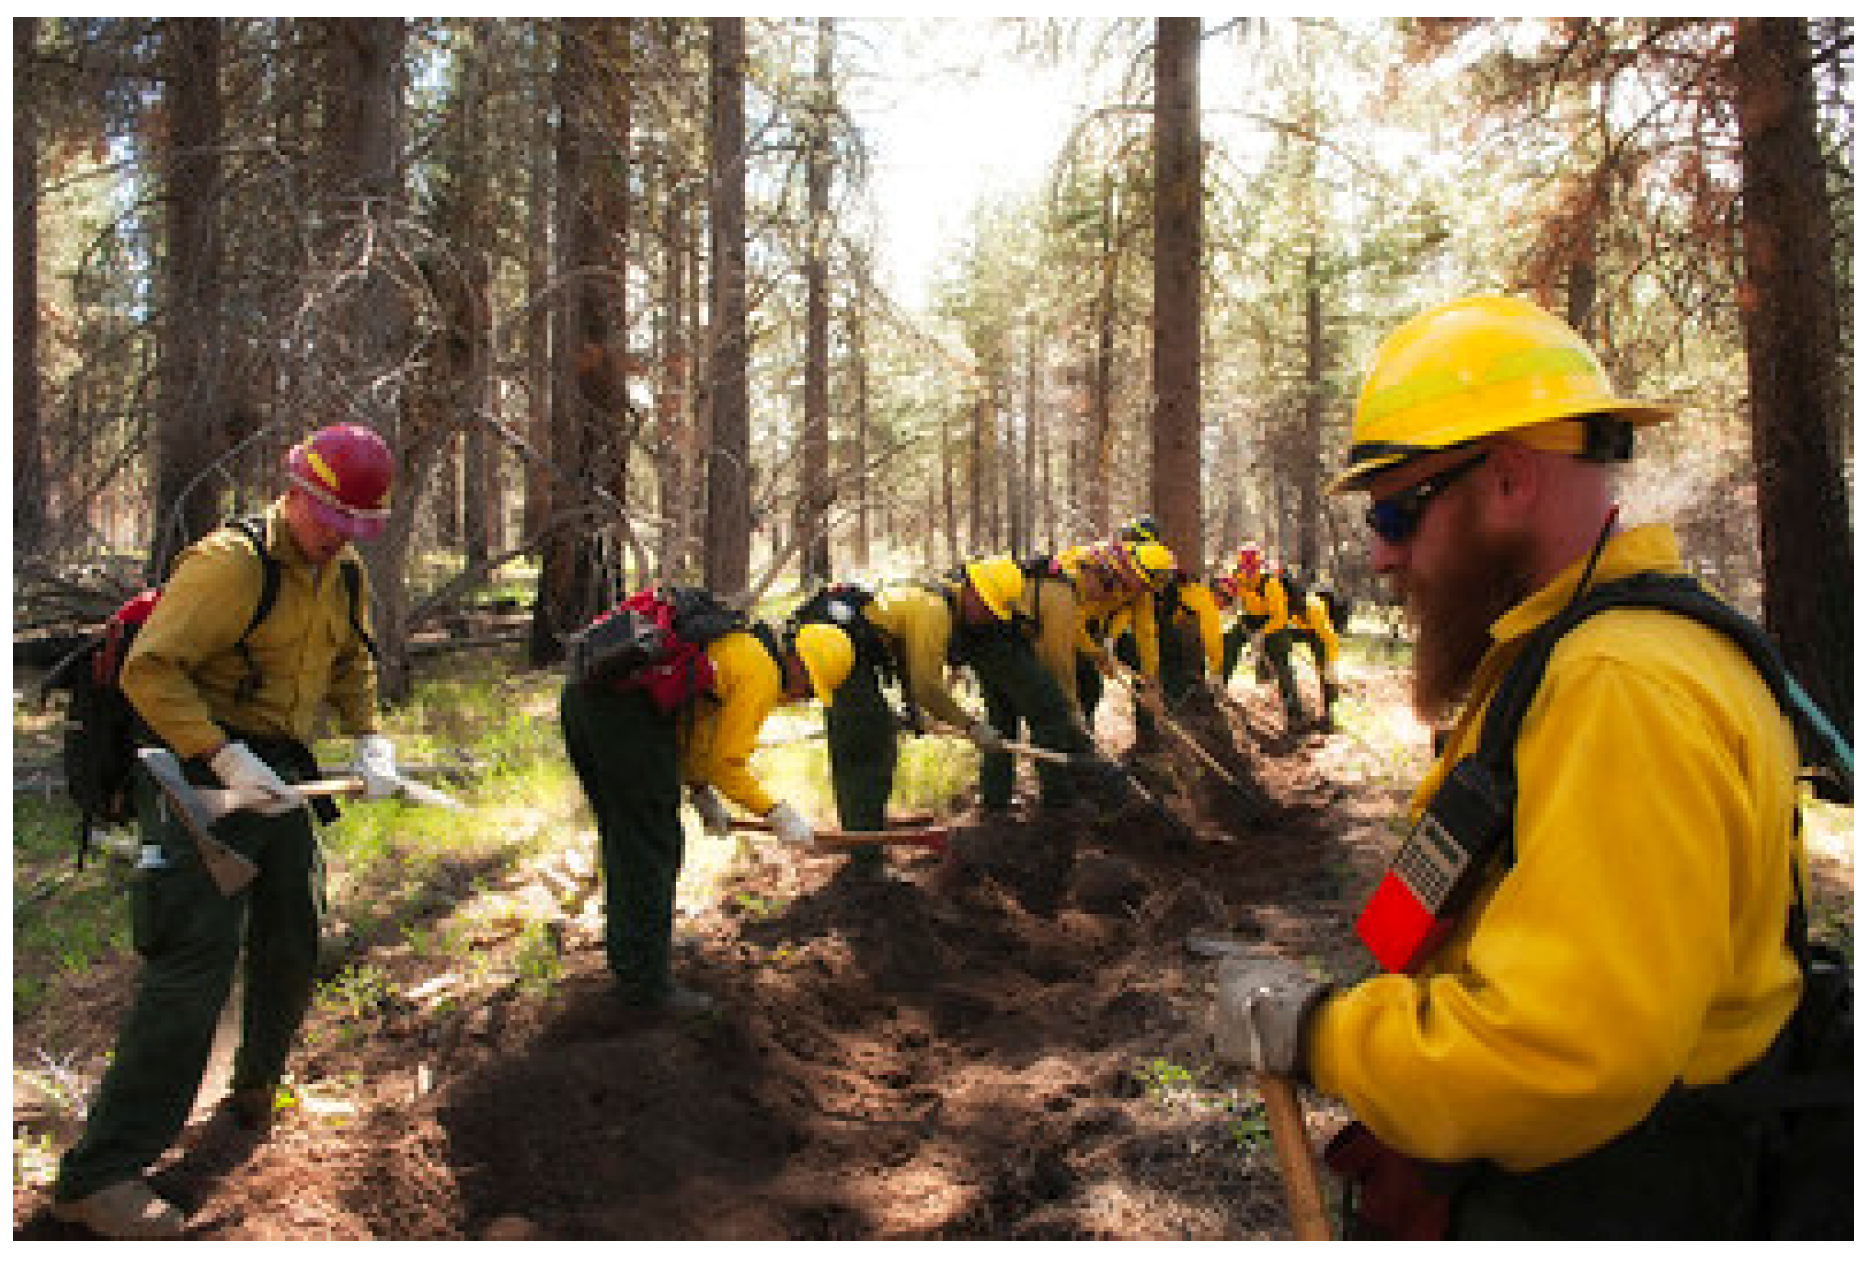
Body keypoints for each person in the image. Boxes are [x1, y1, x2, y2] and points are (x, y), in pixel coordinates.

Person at [1212, 293, 1811, 1237]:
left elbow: (1555, 1055)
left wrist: (1315, 1030)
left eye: (1398, 512)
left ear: (1506, 480)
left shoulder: (1618, 684)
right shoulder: (1567, 652)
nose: (1377, 555)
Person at [51, 424, 399, 1239]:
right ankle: (97, 1173)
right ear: (299, 494)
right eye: (331, 519)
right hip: (195, 768)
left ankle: (253, 1088)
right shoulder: (228, 566)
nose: (340, 538)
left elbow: (351, 661)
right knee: (192, 963)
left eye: (356, 526)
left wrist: (367, 734)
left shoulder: (340, 569)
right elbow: (149, 670)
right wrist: (221, 753)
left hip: (277, 765)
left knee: (294, 930)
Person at [561, 609, 853, 1013]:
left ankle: (641, 947)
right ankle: (647, 986)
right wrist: (776, 812)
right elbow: (727, 764)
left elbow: (698, 733)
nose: (800, 697)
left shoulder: (744, 649)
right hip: (621, 717)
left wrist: (699, 791)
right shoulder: (762, 673)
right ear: (799, 663)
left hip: (586, 701)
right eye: (808, 689)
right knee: (653, 844)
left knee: (628, 836)